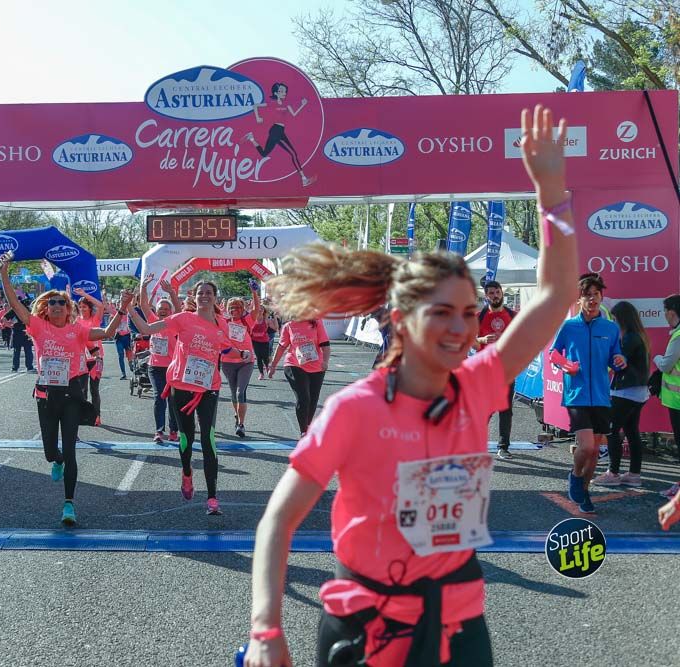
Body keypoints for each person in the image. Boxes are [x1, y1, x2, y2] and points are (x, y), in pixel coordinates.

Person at [242, 105, 578, 667]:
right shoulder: (354, 409)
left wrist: (552, 193)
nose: (461, 328)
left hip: (460, 626)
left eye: (469, 313)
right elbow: (279, 517)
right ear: (400, 319)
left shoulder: (479, 383)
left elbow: (553, 295)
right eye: (442, 312)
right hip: (368, 630)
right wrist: (265, 630)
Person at [0, 251, 124, 526]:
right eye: (52, 303)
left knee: (70, 449)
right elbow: (15, 304)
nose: (56, 306)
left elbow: (107, 334)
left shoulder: (77, 330)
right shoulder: (38, 327)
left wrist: (122, 309)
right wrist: (4, 273)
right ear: (46, 309)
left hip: (71, 396)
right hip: (45, 396)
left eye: (61, 303)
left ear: (68, 309)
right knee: (49, 452)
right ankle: (55, 460)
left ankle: (69, 504)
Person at [127, 280, 235, 516]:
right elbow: (147, 329)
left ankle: (212, 497)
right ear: (194, 297)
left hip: (208, 387)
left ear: (216, 297)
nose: (204, 296)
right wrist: (129, 309)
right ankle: (187, 471)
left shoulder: (222, 324)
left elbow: (226, 349)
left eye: (209, 293)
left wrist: (244, 354)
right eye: (200, 293)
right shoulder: (183, 319)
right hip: (181, 385)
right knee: (187, 438)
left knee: (208, 438)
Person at [549, 272, 626, 514]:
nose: (592, 299)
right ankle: (575, 476)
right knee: (586, 448)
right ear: (579, 299)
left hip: (602, 396)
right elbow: (554, 353)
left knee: (595, 452)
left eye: (596, 294)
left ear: (602, 297)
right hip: (577, 394)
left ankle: (584, 491)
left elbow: (617, 358)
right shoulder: (569, 326)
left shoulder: (610, 328)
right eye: (587, 295)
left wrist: (620, 360)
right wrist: (566, 365)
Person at [593, 300, 650, 487]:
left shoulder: (629, 339)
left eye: (615, 320)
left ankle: (613, 473)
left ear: (622, 320)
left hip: (626, 392)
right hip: (637, 392)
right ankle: (634, 474)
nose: (614, 323)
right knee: (631, 432)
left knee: (611, 430)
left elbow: (617, 363)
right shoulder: (636, 336)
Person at [475, 280, 518, 459]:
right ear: (486, 296)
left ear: (502, 293)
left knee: (506, 409)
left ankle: (503, 446)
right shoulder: (479, 316)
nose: (495, 296)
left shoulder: (513, 315)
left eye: (497, 292)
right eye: (491, 293)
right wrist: (482, 340)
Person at [268, 317, 331, 438]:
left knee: (313, 399)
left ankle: (307, 426)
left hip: (317, 366)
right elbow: (281, 347)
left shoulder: (316, 323)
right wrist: (273, 365)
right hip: (294, 364)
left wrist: (325, 361)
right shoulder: (288, 326)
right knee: (304, 398)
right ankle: (304, 431)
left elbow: (325, 345)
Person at [138, 275, 182, 443]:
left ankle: (173, 430)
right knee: (159, 397)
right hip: (155, 366)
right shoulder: (153, 321)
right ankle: (159, 431)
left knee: (172, 399)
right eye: (160, 308)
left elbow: (179, 309)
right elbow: (143, 305)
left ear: (170, 312)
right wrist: (144, 287)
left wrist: (171, 293)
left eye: (166, 308)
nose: (163, 310)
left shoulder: (175, 322)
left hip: (172, 367)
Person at [222, 287, 263, 438]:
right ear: (228, 309)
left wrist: (254, 293)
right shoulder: (223, 322)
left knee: (241, 392)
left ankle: (241, 424)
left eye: (238, 307)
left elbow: (257, 308)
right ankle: (236, 414)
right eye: (232, 308)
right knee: (233, 393)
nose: (235, 310)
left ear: (243, 308)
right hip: (227, 361)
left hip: (246, 361)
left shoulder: (247, 320)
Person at [655, 293, 680, 500]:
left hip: (678, 402)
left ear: (672, 312)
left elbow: (666, 364)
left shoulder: (678, 336)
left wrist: (655, 357)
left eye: (664, 310)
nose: (663, 314)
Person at [75, 288, 106, 427]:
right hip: (81, 358)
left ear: (89, 308)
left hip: (96, 357)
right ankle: (83, 415)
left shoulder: (95, 319)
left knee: (94, 389)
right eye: (80, 307)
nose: (82, 309)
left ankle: (96, 416)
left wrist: (84, 294)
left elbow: (100, 306)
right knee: (82, 390)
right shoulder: (75, 321)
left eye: (84, 307)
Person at [250, 304, 280, 380]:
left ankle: (267, 368)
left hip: (264, 341)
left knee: (265, 357)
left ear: (264, 311)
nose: (260, 310)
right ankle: (261, 374)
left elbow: (276, 328)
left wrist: (275, 318)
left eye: (262, 309)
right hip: (255, 341)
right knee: (258, 357)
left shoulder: (266, 319)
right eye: (259, 308)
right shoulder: (252, 319)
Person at [113, 303, 134, 380]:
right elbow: (107, 308)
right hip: (119, 338)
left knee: (129, 355)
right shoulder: (116, 315)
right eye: (119, 306)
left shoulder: (129, 314)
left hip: (127, 337)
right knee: (120, 355)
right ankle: (123, 373)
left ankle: (131, 365)